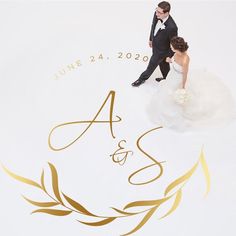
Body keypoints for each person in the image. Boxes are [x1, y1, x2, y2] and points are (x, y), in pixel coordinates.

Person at [147, 36, 236, 132]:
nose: (170, 48)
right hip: (172, 75)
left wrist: (183, 86)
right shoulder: (175, 53)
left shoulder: (185, 59)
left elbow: (185, 74)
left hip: (179, 79)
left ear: (177, 48)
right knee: (166, 92)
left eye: (172, 46)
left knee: (173, 93)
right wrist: (169, 60)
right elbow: (174, 60)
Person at [132, 1, 178, 87]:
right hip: (155, 46)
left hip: (161, 52)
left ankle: (141, 79)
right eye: (156, 10)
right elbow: (153, 26)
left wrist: (169, 56)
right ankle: (166, 78)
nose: (156, 14)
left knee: (151, 66)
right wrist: (151, 39)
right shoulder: (157, 14)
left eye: (159, 12)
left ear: (167, 13)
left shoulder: (172, 27)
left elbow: (174, 44)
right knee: (164, 65)